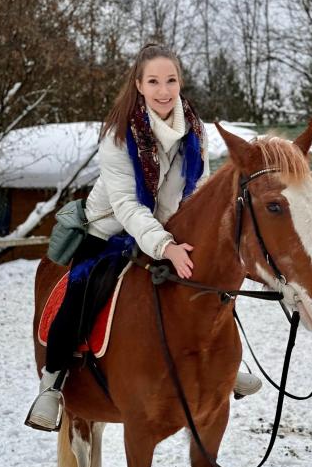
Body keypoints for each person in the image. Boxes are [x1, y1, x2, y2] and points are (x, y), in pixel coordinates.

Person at [26, 43, 262, 432]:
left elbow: (196, 187)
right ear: (139, 85)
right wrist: (164, 245)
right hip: (110, 229)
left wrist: (188, 235)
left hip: (169, 224)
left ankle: (225, 365)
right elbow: (127, 207)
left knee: (209, 279)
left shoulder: (195, 130)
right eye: (153, 81)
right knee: (82, 288)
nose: (163, 90)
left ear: (180, 82)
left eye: (170, 80)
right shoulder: (119, 136)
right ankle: (53, 383)